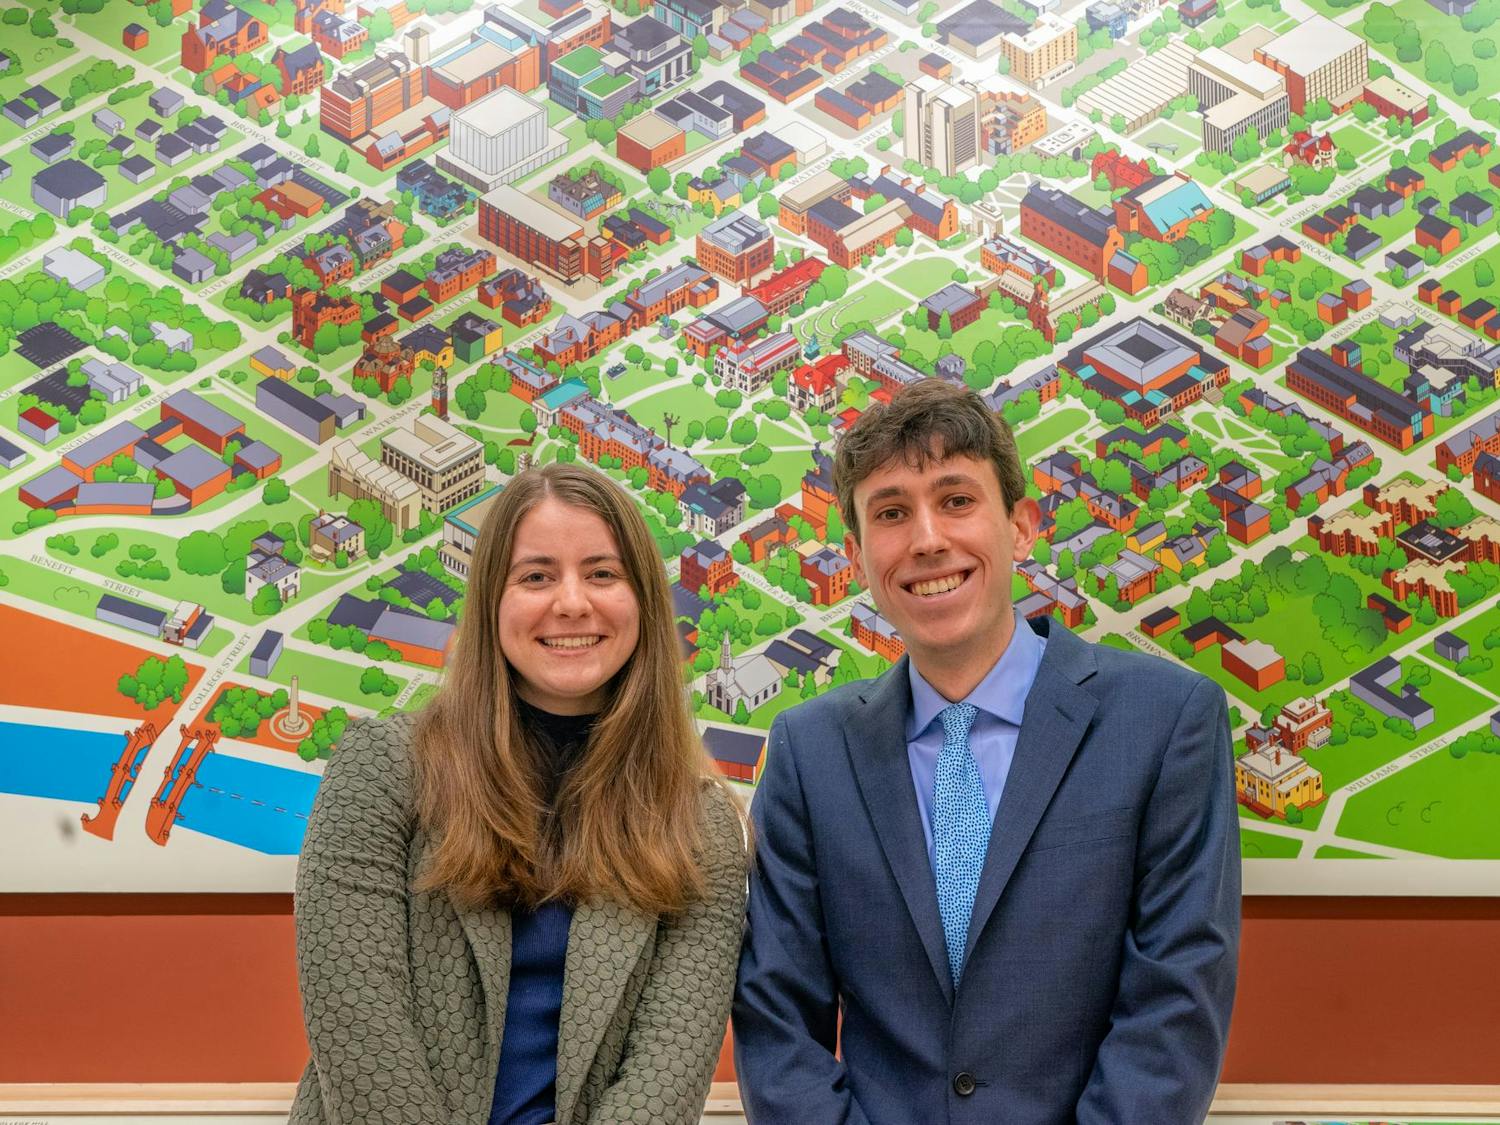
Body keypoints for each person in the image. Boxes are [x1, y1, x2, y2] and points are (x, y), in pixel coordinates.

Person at [733, 379, 1240, 1124]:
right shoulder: (810, 753)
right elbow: (778, 1024)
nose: (928, 538)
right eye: (892, 512)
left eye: (957, 499)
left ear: (1022, 525)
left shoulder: (1166, 722)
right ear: (857, 553)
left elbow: (1176, 1002)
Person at [291, 463, 747, 1125]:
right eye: (536, 575)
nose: (570, 602)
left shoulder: (699, 824)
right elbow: (358, 1027)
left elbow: (663, 1083)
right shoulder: (382, 769)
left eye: (602, 573)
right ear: (492, 601)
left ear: (642, 599)